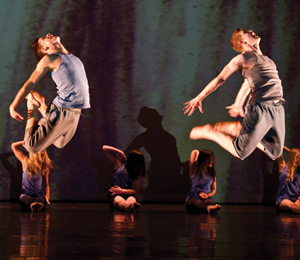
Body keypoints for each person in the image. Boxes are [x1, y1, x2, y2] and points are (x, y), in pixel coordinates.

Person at [183, 29, 285, 161]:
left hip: (277, 108)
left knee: (275, 151)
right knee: (240, 151)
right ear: (243, 41)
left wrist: (238, 103)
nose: (251, 30)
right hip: (261, 108)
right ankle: (209, 131)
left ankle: (238, 130)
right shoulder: (244, 57)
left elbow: (247, 83)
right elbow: (220, 79)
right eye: (246, 32)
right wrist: (199, 97)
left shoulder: (265, 60)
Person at [9, 33, 90, 154]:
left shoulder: (72, 57)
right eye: (44, 39)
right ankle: (32, 105)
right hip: (63, 110)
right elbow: (31, 82)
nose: (48, 34)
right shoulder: (50, 59)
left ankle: (41, 104)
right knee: (31, 146)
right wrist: (13, 106)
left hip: (76, 112)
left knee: (60, 143)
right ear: (44, 49)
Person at [11, 141, 53, 212]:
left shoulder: (44, 167)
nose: (43, 156)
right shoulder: (25, 161)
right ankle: (33, 205)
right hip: (25, 195)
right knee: (28, 200)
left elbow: (46, 185)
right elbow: (13, 146)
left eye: (44, 154)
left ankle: (37, 204)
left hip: (38, 195)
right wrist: (30, 142)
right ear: (35, 153)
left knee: (40, 199)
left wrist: (47, 197)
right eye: (41, 154)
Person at [103, 145, 146, 212]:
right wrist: (120, 152)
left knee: (131, 199)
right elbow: (105, 148)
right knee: (120, 202)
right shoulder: (119, 164)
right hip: (116, 195)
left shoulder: (135, 172)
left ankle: (131, 204)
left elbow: (137, 190)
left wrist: (122, 191)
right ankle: (128, 205)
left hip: (128, 194)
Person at [185, 149, 221, 214]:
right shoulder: (195, 170)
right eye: (210, 159)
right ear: (204, 159)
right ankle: (209, 209)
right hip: (193, 198)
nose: (212, 161)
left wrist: (207, 195)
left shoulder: (212, 173)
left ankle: (211, 208)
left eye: (212, 159)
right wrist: (198, 153)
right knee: (199, 203)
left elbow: (213, 189)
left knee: (209, 202)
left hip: (205, 197)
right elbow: (194, 152)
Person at [276, 146, 300, 214]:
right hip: (284, 199)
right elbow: (279, 148)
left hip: (297, 199)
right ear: (295, 158)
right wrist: (291, 152)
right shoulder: (283, 167)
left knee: (296, 205)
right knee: (292, 206)